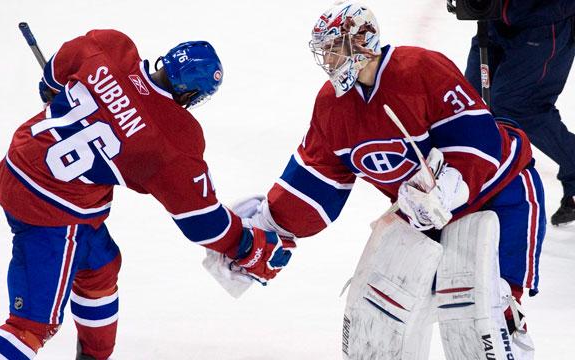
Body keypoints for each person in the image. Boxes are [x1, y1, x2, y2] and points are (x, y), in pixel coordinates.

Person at [237, 1, 545, 357]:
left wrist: (447, 189)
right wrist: (267, 226)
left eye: (336, 48)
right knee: (382, 308)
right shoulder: (332, 107)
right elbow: (314, 179)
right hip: (422, 217)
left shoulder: (420, 69)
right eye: (325, 51)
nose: (329, 60)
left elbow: (478, 141)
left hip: (501, 194)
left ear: (363, 41)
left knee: (489, 309)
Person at [0, 29, 294, 360]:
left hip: (23, 163)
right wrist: (247, 244)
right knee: (30, 327)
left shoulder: (108, 46)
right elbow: (202, 222)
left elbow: (52, 77)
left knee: (100, 266)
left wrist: (71, 95)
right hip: (51, 208)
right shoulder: (174, 139)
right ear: (192, 96)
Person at [464, 0, 575, 226]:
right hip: (494, 18)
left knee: (521, 106)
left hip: (544, 24)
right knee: (469, 102)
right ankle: (471, 187)